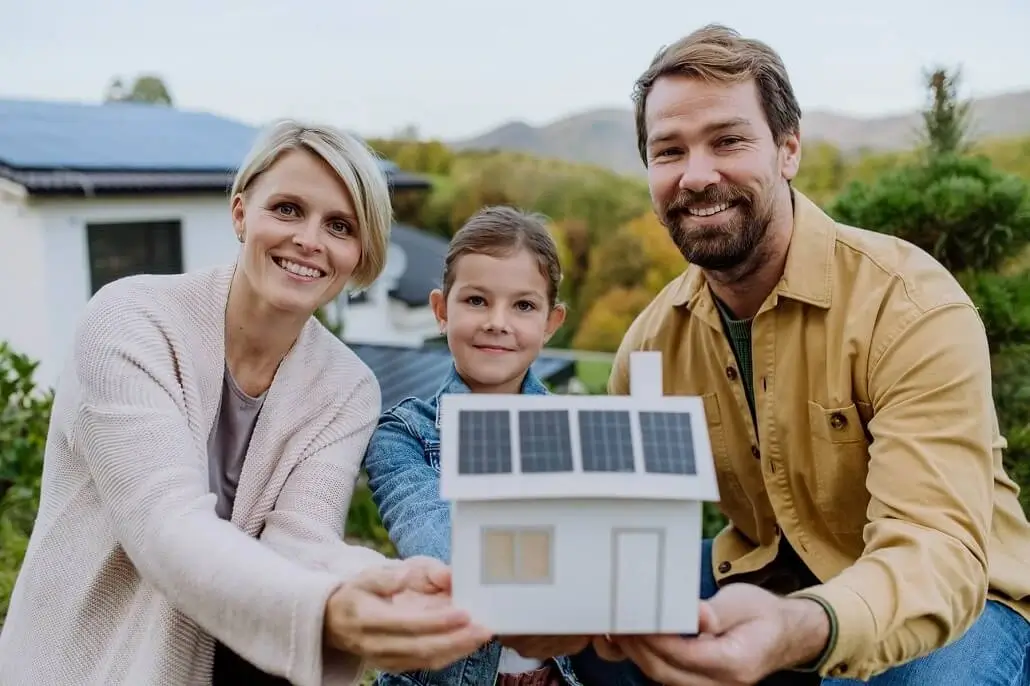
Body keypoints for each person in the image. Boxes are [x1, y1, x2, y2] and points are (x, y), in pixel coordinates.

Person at [576, 24, 1030, 686]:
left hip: (959, 597)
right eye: (668, 151)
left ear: (788, 149)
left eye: (727, 141)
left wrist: (800, 626)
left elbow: (934, 551)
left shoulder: (909, 304)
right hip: (760, 571)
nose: (697, 175)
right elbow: (632, 536)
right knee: (595, 642)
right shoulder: (650, 345)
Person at [0, 120, 492, 686]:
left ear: (360, 254)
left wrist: (380, 581)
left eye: (339, 225)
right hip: (80, 667)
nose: (310, 239)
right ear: (240, 213)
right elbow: (166, 527)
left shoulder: (348, 387)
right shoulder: (128, 321)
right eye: (286, 209)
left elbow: (300, 539)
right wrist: (329, 609)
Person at [363, 206, 591, 686]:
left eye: (523, 306)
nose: (497, 322)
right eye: (477, 301)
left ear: (552, 322)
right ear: (441, 310)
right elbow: (438, 544)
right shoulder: (402, 435)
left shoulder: (577, 430)